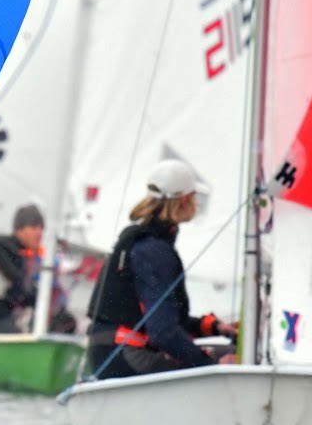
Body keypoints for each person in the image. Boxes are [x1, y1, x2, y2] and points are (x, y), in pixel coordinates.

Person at [84, 160, 236, 379]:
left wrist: (213, 327)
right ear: (184, 200)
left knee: (220, 353)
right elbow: (162, 332)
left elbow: (163, 319)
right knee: (230, 358)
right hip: (125, 356)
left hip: (109, 354)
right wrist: (210, 363)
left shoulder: (144, 242)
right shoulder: (154, 250)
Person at [0, 204, 77, 333]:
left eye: (41, 228)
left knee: (59, 322)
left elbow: (21, 292)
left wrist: (51, 305)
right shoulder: (1, 247)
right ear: (19, 229)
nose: (39, 233)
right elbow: (19, 284)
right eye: (34, 227)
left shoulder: (18, 253)